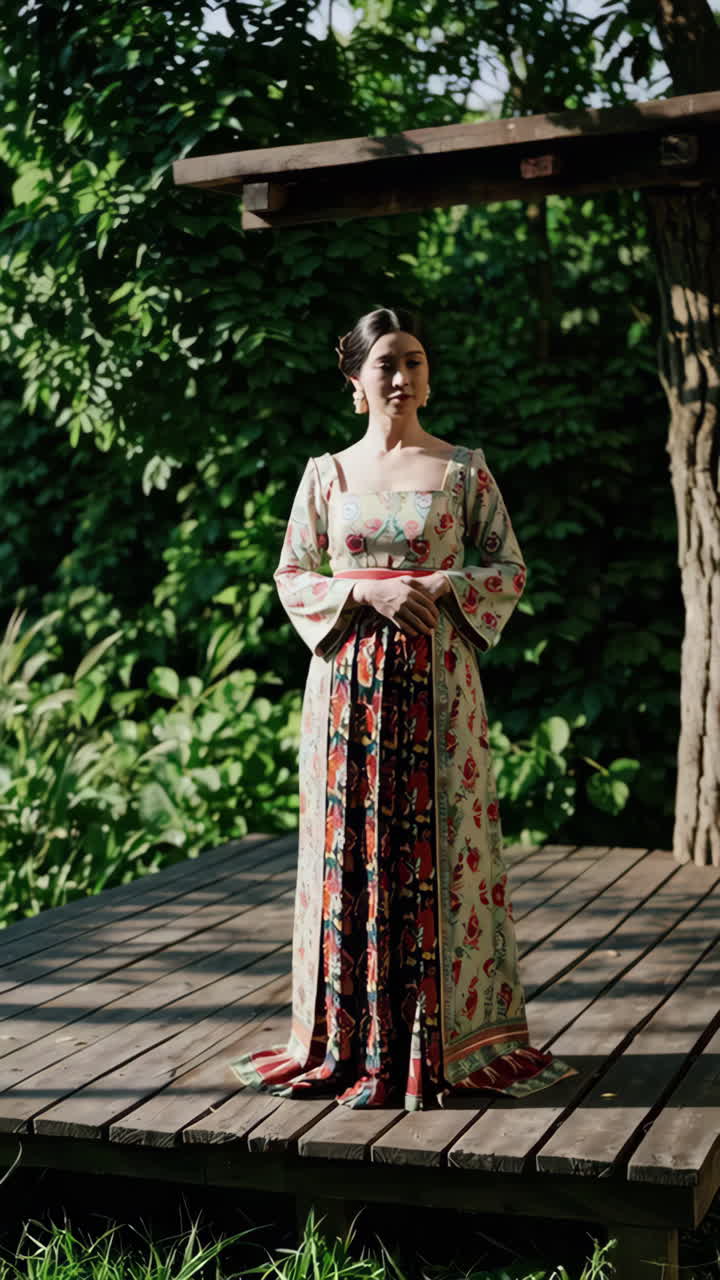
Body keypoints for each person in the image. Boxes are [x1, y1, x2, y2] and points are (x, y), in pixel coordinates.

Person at [228, 305, 578, 1109]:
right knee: (354, 849)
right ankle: (350, 1042)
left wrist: (436, 586)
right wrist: (364, 593)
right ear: (355, 381)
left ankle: (447, 1040)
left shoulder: (463, 471)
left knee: (438, 849)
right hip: (348, 694)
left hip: (440, 692)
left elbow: (508, 569)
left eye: (414, 362)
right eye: (385, 364)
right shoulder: (327, 476)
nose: (403, 377)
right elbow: (293, 576)